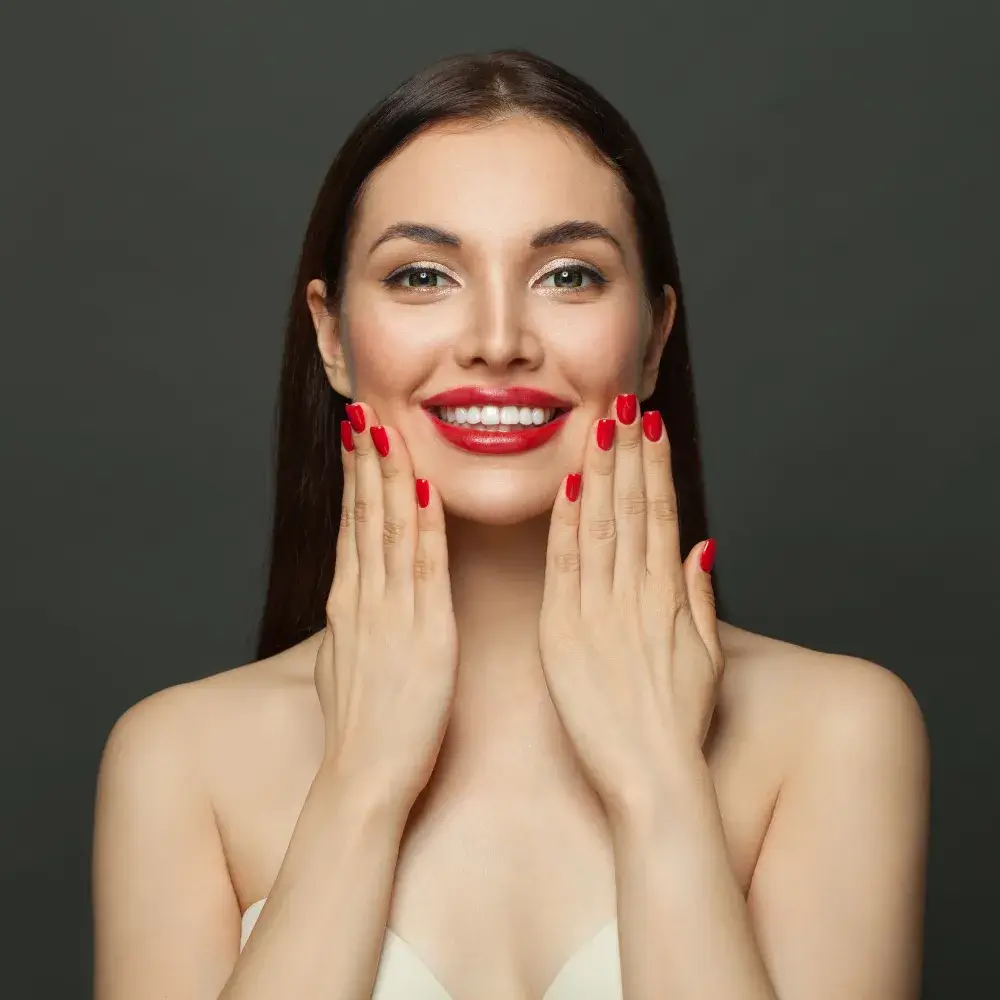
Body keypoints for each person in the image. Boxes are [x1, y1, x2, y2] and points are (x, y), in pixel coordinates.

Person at [91, 49, 930, 1000]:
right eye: (422, 276)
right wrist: (361, 787)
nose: (497, 339)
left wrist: (659, 784)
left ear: (654, 338)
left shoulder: (835, 732)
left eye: (569, 275)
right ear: (332, 336)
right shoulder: (179, 760)